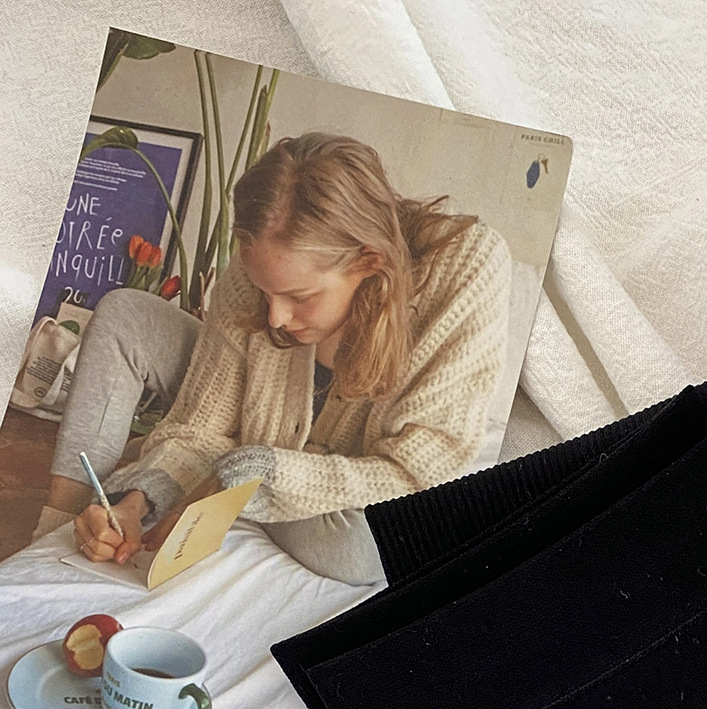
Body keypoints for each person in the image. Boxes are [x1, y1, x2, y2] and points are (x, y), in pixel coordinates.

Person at [38, 131, 512, 586]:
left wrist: (259, 473)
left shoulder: (465, 268)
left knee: (362, 547)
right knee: (124, 313)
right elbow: (200, 426)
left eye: (300, 296)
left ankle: (231, 486)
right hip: (254, 438)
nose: (276, 317)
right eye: (264, 291)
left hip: (352, 481)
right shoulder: (263, 264)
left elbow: (419, 478)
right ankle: (59, 530)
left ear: (370, 262)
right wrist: (135, 502)